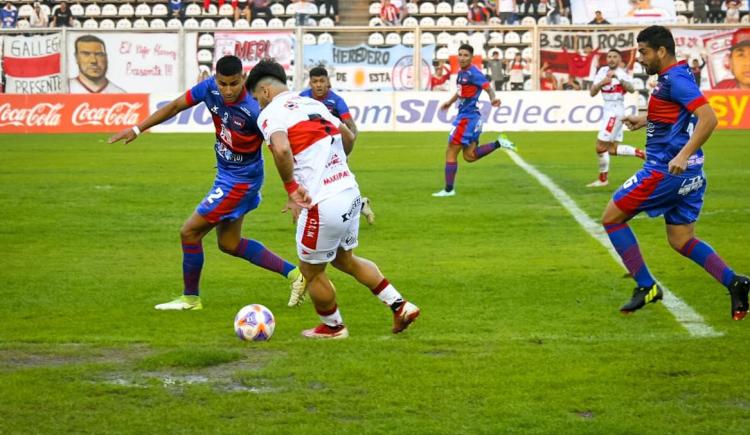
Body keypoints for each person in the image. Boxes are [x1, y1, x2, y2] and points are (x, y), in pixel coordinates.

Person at [108, 56, 306, 310]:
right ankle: (295, 275)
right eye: (222, 83)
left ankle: (191, 299)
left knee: (189, 232)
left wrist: (293, 189)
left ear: (243, 79)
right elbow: (176, 106)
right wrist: (137, 129)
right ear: (215, 79)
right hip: (226, 174)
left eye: (233, 83)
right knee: (229, 243)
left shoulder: (254, 109)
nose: (227, 90)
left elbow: (281, 149)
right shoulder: (209, 89)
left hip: (241, 181)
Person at [246, 59, 421, 339]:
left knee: (310, 271)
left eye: (257, 98)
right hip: (350, 192)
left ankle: (333, 327)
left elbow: (280, 150)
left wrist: (292, 188)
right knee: (344, 259)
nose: (258, 104)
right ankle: (400, 306)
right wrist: (334, 163)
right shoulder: (315, 106)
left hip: (322, 202)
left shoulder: (271, 113)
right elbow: (349, 137)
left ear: (265, 91)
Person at [601, 25, 748, 320]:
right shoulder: (672, 78)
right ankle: (735, 282)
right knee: (681, 240)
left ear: (661, 51)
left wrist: (682, 154)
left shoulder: (676, 78)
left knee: (612, 219)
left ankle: (646, 286)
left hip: (665, 171)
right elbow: (679, 114)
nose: (640, 58)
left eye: (643, 52)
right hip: (691, 176)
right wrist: (644, 119)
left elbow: (708, 118)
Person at [432, 44, 516, 197]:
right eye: (460, 55)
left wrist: (493, 99)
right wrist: (450, 102)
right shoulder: (461, 73)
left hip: (467, 118)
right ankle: (499, 143)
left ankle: (448, 190)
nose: (462, 58)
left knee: (451, 151)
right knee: (469, 156)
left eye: (465, 55)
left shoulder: (474, 73)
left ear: (471, 57)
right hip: (472, 118)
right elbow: (460, 92)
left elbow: (488, 88)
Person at [300, 66, 376, 225]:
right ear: (310, 83)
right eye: (315, 81)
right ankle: (360, 205)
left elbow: (351, 126)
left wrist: (345, 152)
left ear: (328, 82)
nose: (319, 85)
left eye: (322, 81)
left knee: (333, 187)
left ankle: (315, 218)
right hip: (312, 149)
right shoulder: (303, 98)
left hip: (333, 149)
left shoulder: (336, 101)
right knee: (322, 185)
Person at [586, 48, 645, 187]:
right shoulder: (601, 71)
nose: (611, 59)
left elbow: (631, 89)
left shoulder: (622, 74)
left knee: (600, 147)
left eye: (614, 57)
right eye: (609, 56)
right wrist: (602, 82)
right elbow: (592, 93)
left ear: (619, 60)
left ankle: (602, 179)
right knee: (611, 149)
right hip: (607, 109)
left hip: (615, 111)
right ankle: (642, 154)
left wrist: (618, 78)